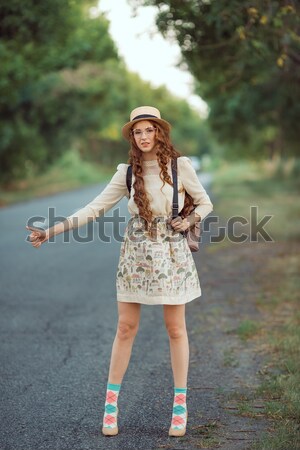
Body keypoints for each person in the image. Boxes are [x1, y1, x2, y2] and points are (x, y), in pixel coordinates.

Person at [26, 106, 213, 438]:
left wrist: (189, 220)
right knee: (126, 328)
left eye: (148, 130)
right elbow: (94, 208)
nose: (143, 137)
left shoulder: (180, 167)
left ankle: (180, 407)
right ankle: (110, 407)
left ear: (160, 132)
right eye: (137, 132)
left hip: (172, 254)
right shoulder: (127, 173)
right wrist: (51, 231)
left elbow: (205, 203)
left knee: (175, 330)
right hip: (136, 255)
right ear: (132, 137)